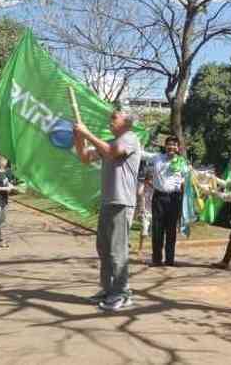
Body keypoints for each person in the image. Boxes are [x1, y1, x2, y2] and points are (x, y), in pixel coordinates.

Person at [73, 111, 141, 313]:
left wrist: (87, 134)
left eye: (115, 117)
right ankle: (108, 289)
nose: (110, 121)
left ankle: (121, 293)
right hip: (108, 201)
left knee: (117, 250)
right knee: (103, 248)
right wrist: (79, 138)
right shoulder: (109, 142)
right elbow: (85, 157)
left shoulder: (130, 138)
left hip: (122, 202)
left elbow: (113, 152)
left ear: (126, 122)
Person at [144, 136, 185, 267]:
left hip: (175, 199)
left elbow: (188, 180)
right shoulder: (157, 158)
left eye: (174, 145)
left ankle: (169, 260)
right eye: (169, 144)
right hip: (159, 198)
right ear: (165, 146)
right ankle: (156, 259)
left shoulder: (182, 162)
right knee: (157, 229)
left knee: (171, 230)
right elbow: (141, 154)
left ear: (178, 147)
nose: (171, 147)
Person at [136, 171, 154, 254]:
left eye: (152, 179)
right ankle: (140, 248)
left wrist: (153, 186)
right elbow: (139, 193)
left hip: (153, 212)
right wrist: (144, 184)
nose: (151, 181)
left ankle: (154, 248)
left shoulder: (154, 188)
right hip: (144, 212)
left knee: (154, 232)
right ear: (146, 180)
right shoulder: (142, 186)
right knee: (144, 231)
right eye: (149, 179)